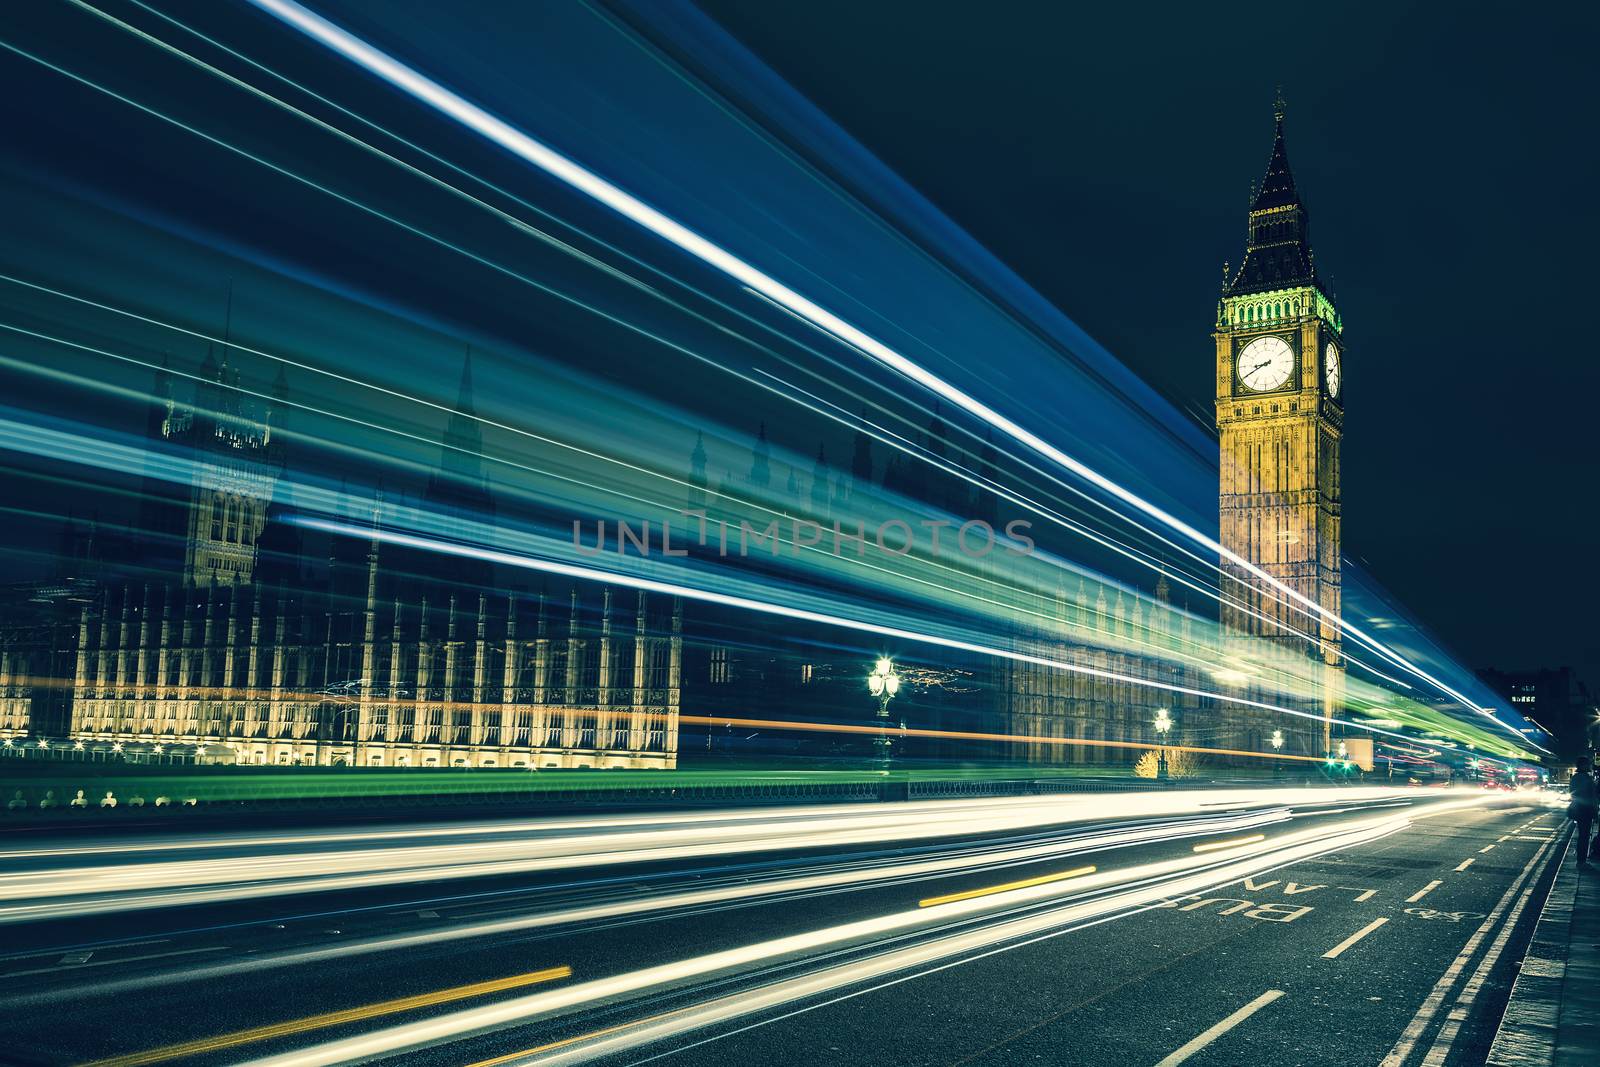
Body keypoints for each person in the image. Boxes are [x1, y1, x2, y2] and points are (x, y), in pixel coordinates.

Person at [1570, 758, 1598, 864]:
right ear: (1583, 765)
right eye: (1588, 764)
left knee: (1582, 834)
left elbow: (1573, 793)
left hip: (1578, 809)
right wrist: (1595, 813)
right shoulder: (1586, 778)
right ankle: (1581, 859)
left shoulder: (1575, 777)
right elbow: (1592, 797)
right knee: (1584, 835)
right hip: (1586, 810)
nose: (1590, 766)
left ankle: (1580, 857)